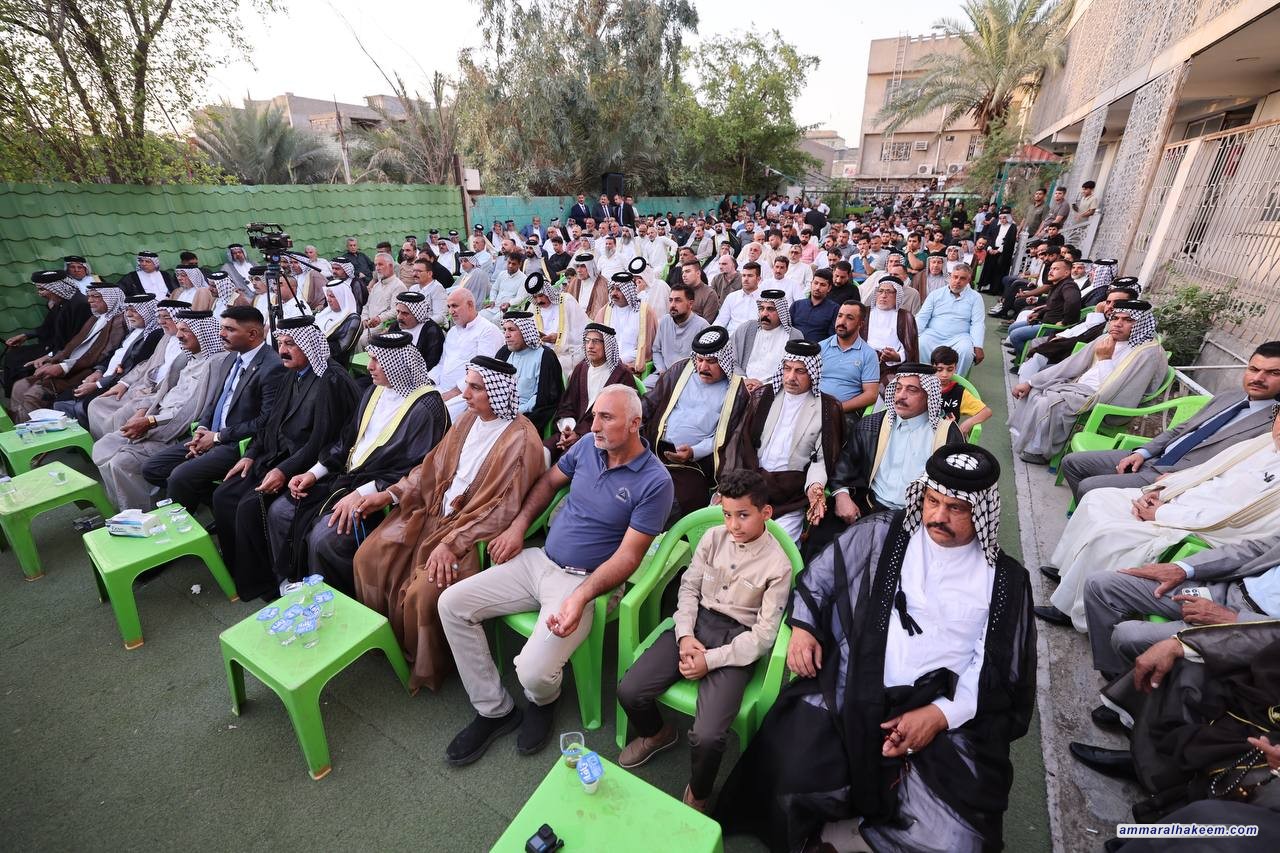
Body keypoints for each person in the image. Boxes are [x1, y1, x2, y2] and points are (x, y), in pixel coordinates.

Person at [716, 445, 1035, 853]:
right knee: (788, 763)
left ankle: (857, 833)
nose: (938, 516)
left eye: (956, 508)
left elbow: (996, 671)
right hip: (855, 681)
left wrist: (938, 716)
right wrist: (803, 628)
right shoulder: (885, 532)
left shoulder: (1005, 580)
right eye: (932, 501)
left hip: (942, 706)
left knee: (960, 837)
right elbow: (820, 578)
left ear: (982, 511)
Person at [438, 384, 673, 763]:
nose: (593, 426)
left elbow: (629, 557)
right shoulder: (588, 446)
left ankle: (543, 702)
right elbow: (548, 483)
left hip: (584, 582)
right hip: (539, 560)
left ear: (634, 424)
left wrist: (580, 597)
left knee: (532, 673)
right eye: (594, 416)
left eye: (606, 418)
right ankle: (494, 709)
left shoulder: (655, 482)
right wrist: (518, 528)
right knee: (451, 604)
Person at [355, 357, 545, 692]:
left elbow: (501, 509)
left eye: (476, 388)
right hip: (428, 512)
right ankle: (387, 640)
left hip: (467, 531)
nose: (465, 394)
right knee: (369, 556)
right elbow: (430, 467)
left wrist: (452, 543)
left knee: (423, 591)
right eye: (467, 385)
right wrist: (391, 494)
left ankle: (426, 663)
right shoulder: (468, 419)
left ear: (498, 393)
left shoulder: (520, 440)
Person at [617, 469, 792, 812]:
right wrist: (684, 635)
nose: (733, 525)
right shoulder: (712, 538)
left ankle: (699, 791)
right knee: (630, 690)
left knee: (708, 735)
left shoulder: (778, 565)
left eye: (743, 515)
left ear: (766, 513)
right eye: (727, 514)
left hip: (737, 641)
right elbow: (689, 589)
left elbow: (763, 636)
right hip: (695, 624)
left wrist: (710, 661)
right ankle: (657, 733)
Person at [1037, 405, 1280, 631]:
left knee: (1109, 533)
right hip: (1178, 498)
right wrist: (1165, 490)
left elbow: (1239, 524)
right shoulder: (1262, 444)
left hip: (1198, 525)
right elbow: (1206, 472)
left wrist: (1162, 512)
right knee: (1097, 498)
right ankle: (1067, 574)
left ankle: (1072, 609)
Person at [270, 332, 449, 596]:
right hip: (346, 478)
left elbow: (416, 470)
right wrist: (314, 472)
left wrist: (362, 493)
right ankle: (296, 583)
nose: (369, 367)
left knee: (324, 538)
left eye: (378, 360)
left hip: (384, 497)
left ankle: (335, 602)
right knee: (280, 511)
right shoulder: (374, 391)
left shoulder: (427, 407)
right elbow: (346, 441)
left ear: (398, 364)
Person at [213, 317, 360, 601]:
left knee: (250, 507)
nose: (282, 350)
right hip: (274, 456)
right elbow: (269, 422)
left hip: (307, 465)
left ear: (308, 344)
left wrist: (283, 470)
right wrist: (251, 455)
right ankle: (240, 573)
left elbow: (322, 440)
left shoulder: (330, 380)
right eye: (280, 343)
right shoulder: (292, 373)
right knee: (224, 495)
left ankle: (267, 583)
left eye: (291, 344)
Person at [1060, 341, 1280, 500]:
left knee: (1090, 487)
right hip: (1155, 458)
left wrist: (1183, 479)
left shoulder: (1274, 425)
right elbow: (1181, 429)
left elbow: (1241, 472)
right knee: (1072, 462)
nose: (1258, 378)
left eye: (1273, 373)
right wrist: (1142, 453)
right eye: (1253, 369)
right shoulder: (1229, 397)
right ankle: (1096, 520)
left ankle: (1101, 525)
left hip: (1178, 477)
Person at [806, 363, 963, 557]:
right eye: (898, 388)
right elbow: (845, 464)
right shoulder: (872, 425)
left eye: (911, 390)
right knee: (822, 546)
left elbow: (955, 489)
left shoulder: (947, 435)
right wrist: (842, 496)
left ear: (929, 395)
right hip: (868, 506)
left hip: (917, 518)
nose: (901, 396)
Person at [1082, 530, 1280, 682]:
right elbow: (1257, 548)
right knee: (1100, 585)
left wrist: (1234, 619)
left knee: (1127, 635)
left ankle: (1131, 698)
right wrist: (1182, 568)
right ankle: (1116, 678)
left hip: (1251, 627)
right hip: (1229, 588)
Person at [139, 305, 283, 511]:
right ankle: (216, 504)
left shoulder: (272, 367)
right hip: (211, 436)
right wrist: (202, 429)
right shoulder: (231, 357)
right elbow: (216, 401)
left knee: (180, 477)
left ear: (252, 334)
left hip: (237, 443)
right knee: (153, 468)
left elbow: (265, 421)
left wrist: (217, 437)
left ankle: (182, 526)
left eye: (229, 329)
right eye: (222, 328)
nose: (221, 334)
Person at [91, 309, 226, 510]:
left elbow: (192, 412)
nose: (179, 335)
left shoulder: (214, 365)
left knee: (122, 462)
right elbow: (162, 392)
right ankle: (125, 508)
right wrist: (144, 410)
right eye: (179, 330)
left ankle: (145, 511)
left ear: (203, 334)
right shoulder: (186, 359)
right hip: (155, 418)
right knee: (103, 446)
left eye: (186, 331)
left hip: (175, 432)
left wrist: (150, 422)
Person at [1009, 300, 1168, 463]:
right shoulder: (1107, 338)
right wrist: (1031, 382)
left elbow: (1120, 390)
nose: (1118, 324)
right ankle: (1026, 438)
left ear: (1142, 323)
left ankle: (1040, 452)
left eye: (1128, 320)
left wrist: (1105, 359)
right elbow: (1071, 364)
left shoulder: (1148, 353)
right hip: (1079, 386)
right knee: (1036, 389)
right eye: (1115, 318)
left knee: (1050, 402)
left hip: (1106, 398)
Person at [723, 340, 841, 541]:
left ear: (813, 373)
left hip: (790, 494)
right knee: (728, 538)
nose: (791, 377)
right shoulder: (764, 396)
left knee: (777, 545)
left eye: (800, 371)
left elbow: (821, 459)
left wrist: (815, 487)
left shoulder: (827, 408)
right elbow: (742, 442)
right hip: (750, 483)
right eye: (787, 368)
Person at [642, 326, 750, 515]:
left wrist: (694, 452)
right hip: (654, 451)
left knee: (675, 502)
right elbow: (652, 401)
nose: (703, 367)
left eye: (711, 361)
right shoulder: (680, 371)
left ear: (724, 360)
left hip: (693, 465)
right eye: (699, 360)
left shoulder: (737, 392)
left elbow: (728, 437)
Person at [9, 285, 129, 422]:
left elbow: (103, 354)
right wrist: (52, 359)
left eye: (96, 296)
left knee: (34, 395)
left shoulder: (118, 322)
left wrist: (63, 367)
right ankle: (18, 428)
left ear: (111, 298)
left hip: (85, 372)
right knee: (20, 386)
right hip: (70, 366)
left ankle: (34, 432)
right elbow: (72, 346)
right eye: (89, 296)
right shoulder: (96, 317)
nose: (90, 300)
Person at [53, 293, 164, 427]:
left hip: (120, 383)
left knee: (84, 405)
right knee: (61, 401)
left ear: (148, 312)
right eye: (127, 310)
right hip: (106, 377)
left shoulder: (154, 336)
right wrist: (98, 372)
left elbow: (135, 368)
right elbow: (113, 354)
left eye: (134, 310)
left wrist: (99, 384)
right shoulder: (133, 330)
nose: (128, 314)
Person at [88, 298, 189, 439]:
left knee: (119, 417)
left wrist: (146, 402)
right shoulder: (166, 338)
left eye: (167, 317)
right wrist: (124, 383)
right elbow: (147, 364)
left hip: (159, 395)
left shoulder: (189, 344)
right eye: (159, 317)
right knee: (96, 404)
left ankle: (115, 446)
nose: (161, 322)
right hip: (142, 386)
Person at [546, 323, 634, 464]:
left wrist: (579, 435)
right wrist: (567, 429)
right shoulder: (581, 368)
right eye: (587, 341)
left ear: (608, 345)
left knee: (564, 462)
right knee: (541, 452)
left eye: (596, 341)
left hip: (599, 438)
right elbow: (567, 404)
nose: (590, 346)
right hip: (571, 432)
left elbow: (617, 417)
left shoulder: (621, 375)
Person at [1016, 284, 1136, 384]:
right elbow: (1079, 329)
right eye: (1108, 302)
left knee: (1024, 340)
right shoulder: (1105, 321)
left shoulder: (1121, 335)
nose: (1110, 307)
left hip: (1075, 361)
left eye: (1117, 303)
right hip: (1065, 346)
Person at [3, 271, 92, 395]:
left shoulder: (79, 305)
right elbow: (48, 327)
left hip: (64, 352)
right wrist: (26, 336)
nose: (39, 294)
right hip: (53, 346)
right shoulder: (61, 303)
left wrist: (50, 356)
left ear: (57, 288)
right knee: (13, 355)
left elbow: (75, 340)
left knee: (20, 366)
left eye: (42, 289)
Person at [429, 289, 505, 422]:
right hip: (441, 389)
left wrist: (453, 393)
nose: (451, 311)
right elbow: (442, 364)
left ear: (470, 305)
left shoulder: (487, 331)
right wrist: (427, 380)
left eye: (455, 306)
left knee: (433, 416)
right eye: (449, 307)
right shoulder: (452, 332)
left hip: (467, 395)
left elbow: (483, 373)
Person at [496, 311, 564, 434]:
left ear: (525, 331)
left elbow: (545, 398)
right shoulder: (504, 353)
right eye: (505, 330)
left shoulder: (545, 356)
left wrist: (515, 412)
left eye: (511, 330)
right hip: (500, 413)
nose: (506, 335)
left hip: (529, 417)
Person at [818, 300, 881, 432]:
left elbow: (871, 394)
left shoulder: (868, 354)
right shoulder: (821, 347)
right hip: (814, 407)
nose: (842, 321)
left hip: (845, 412)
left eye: (849, 318)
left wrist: (837, 408)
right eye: (840, 316)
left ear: (861, 324)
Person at [915, 264, 985, 377]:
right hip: (934, 334)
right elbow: (922, 317)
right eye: (955, 277)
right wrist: (913, 336)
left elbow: (978, 323)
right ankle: (925, 379)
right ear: (950, 277)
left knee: (966, 352)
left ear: (968, 280)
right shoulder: (935, 294)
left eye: (962, 278)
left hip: (960, 337)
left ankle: (954, 383)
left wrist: (978, 346)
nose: (957, 281)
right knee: (920, 343)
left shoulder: (975, 297)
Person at [1004, 258, 1082, 356]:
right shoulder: (1058, 284)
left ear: (1066, 273)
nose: (1051, 272)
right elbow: (1051, 305)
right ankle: (1022, 354)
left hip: (1051, 327)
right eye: (1051, 269)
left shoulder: (1069, 285)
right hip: (1044, 321)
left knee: (1015, 335)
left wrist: (1065, 322)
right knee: (1012, 328)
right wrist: (1038, 314)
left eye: (1056, 269)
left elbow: (1073, 302)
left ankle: (1029, 358)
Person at [732, 289, 804, 391]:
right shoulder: (747, 328)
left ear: (781, 312)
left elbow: (794, 372)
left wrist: (765, 386)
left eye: (770, 309)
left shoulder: (794, 336)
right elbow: (731, 359)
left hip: (775, 389)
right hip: (742, 385)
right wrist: (744, 380)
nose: (764, 314)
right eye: (762, 308)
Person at [647, 283, 709, 391]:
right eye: (670, 300)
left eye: (678, 300)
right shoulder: (665, 321)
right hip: (663, 374)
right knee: (642, 390)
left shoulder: (702, 326)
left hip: (689, 378)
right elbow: (656, 351)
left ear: (690, 304)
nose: (672, 305)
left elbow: (704, 361)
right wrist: (662, 370)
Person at [524, 271, 587, 376]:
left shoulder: (566, 301)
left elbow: (581, 333)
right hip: (540, 355)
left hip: (565, 356)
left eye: (541, 295)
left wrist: (559, 338)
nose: (538, 301)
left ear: (548, 291)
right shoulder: (534, 307)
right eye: (535, 297)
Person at [594, 272, 656, 372]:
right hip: (606, 364)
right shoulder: (605, 311)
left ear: (629, 291)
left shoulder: (644, 312)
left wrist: (620, 361)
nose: (614, 293)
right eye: (612, 289)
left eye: (619, 289)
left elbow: (647, 347)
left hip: (632, 366)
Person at [862, 277, 919, 378]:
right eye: (880, 291)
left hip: (893, 367)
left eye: (889, 292)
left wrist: (897, 356)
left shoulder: (905, 317)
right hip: (863, 361)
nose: (883, 295)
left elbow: (910, 348)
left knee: (889, 384)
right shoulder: (864, 313)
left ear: (897, 295)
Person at [933, 346, 992, 438]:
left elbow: (986, 412)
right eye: (939, 369)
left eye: (950, 369)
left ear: (955, 368)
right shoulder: (923, 387)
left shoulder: (959, 392)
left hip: (947, 437)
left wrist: (969, 423)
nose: (944, 374)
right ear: (932, 367)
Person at [358, 252, 408, 348]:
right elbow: (366, 306)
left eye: (380, 264)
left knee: (362, 340)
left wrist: (379, 318)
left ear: (390, 266)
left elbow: (396, 311)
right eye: (376, 265)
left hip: (383, 325)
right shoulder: (376, 286)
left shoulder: (398, 286)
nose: (377, 268)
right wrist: (364, 318)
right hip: (367, 324)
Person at [385, 291, 445, 371]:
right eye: (398, 312)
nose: (399, 317)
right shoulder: (396, 326)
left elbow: (432, 363)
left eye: (405, 313)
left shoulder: (432, 332)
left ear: (418, 314)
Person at [714, 260, 765, 334]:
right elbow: (721, 321)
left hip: (754, 337)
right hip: (731, 337)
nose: (746, 279)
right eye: (744, 275)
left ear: (758, 279)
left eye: (750, 276)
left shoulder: (764, 300)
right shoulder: (732, 297)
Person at [791, 268, 838, 343]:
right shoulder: (797, 305)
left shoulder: (834, 309)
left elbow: (832, 337)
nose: (817, 288)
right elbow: (787, 329)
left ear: (829, 288)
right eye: (816, 283)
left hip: (818, 348)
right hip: (793, 346)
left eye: (822, 285)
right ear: (811, 284)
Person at [564, 251, 610, 319]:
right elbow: (568, 304)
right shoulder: (575, 282)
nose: (579, 270)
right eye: (577, 266)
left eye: (583, 266)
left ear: (590, 267)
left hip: (592, 321)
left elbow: (599, 309)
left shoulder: (601, 283)